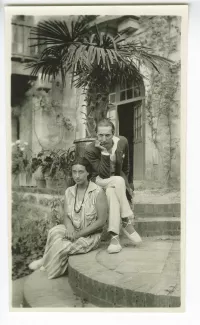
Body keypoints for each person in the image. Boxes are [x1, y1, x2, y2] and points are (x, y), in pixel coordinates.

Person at [28, 158, 108, 279]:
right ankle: (46, 260)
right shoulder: (69, 191)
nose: (77, 175)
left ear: (88, 173)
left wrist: (78, 234)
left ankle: (47, 264)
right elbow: (66, 215)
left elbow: (101, 222)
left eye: (81, 172)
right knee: (54, 232)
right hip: (74, 228)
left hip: (90, 236)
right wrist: (70, 229)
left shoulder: (98, 192)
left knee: (63, 246)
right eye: (74, 172)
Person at [84, 118, 142, 254]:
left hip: (114, 183)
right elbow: (103, 174)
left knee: (113, 190)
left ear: (114, 134)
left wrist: (129, 185)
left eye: (107, 135)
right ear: (96, 135)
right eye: (100, 135)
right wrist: (104, 151)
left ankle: (114, 238)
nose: (103, 138)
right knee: (117, 181)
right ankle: (126, 220)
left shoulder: (122, 142)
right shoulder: (90, 149)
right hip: (98, 180)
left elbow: (126, 167)